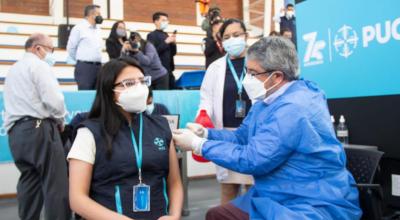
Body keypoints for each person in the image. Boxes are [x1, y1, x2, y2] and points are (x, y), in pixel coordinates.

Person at [173, 36, 361, 219]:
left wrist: (199, 145)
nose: (247, 79)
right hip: (278, 191)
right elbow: (241, 137)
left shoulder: (293, 107)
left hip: (309, 198)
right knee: (217, 214)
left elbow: (253, 159)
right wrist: (206, 133)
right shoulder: (267, 101)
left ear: (277, 76)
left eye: (253, 73)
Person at [68, 57, 183, 220]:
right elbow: (77, 199)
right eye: (129, 83)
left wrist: (174, 215)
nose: (139, 88)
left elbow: (175, 183)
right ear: (109, 90)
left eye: (142, 81)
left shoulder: (161, 125)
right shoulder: (89, 133)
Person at [3, 33, 71, 220]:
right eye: (51, 49)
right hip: (39, 128)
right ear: (37, 48)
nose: (52, 54)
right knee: (56, 184)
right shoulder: (38, 65)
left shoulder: (13, 69)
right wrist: (60, 119)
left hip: (16, 133)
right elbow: (54, 100)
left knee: (29, 182)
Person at [198, 18, 254, 205]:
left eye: (236, 35)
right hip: (226, 135)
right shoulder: (215, 68)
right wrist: (203, 116)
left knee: (254, 187)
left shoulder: (259, 62)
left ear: (246, 35)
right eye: (227, 37)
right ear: (221, 41)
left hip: (254, 135)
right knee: (228, 186)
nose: (232, 39)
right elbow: (206, 97)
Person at [67, 4, 103, 90]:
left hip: (98, 67)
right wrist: (81, 61)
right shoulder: (79, 28)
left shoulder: (98, 29)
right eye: (98, 14)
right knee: (85, 94)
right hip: (85, 67)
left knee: (98, 95)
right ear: (91, 15)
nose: (101, 16)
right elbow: (71, 48)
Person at [147, 12, 177, 90]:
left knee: (173, 90)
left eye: (167, 20)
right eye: (163, 20)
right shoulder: (151, 35)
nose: (166, 22)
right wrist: (166, 42)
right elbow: (153, 53)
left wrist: (173, 43)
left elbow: (173, 53)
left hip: (169, 70)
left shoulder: (166, 35)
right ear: (156, 21)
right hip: (160, 72)